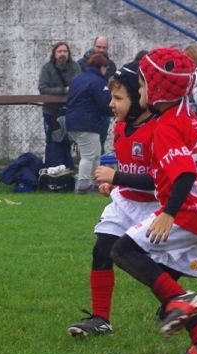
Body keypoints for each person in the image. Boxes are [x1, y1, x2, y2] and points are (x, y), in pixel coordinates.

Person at [110, 48, 197, 354]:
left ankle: (181, 300)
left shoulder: (165, 128)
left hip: (186, 213)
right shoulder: (188, 117)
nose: (141, 91)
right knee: (160, 275)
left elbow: (185, 173)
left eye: (144, 84)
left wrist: (168, 214)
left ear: (159, 89)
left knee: (123, 251)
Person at [67, 61, 159, 336]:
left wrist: (116, 178)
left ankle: (177, 302)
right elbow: (131, 168)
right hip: (125, 202)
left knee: (157, 264)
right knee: (101, 250)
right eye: (111, 97)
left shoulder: (158, 131)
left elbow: (159, 181)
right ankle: (100, 319)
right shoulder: (121, 128)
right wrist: (114, 183)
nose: (111, 104)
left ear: (140, 98)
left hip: (155, 207)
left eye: (119, 98)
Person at [66, 53, 112, 193]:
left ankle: (96, 181)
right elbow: (104, 103)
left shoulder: (77, 78)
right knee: (88, 156)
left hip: (72, 122)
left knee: (95, 153)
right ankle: (84, 184)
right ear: (102, 67)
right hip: (87, 123)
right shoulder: (98, 82)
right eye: (106, 68)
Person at [38, 42, 81, 169]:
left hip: (70, 111)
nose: (62, 54)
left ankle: (67, 166)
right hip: (51, 111)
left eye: (65, 51)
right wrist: (63, 91)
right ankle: (51, 166)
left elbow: (78, 84)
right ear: (54, 54)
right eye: (59, 51)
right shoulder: (47, 68)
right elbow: (43, 88)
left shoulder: (75, 66)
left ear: (68, 53)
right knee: (51, 140)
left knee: (67, 140)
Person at [77, 36, 118, 152]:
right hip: (87, 110)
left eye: (104, 47)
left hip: (104, 109)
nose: (101, 50)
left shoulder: (111, 65)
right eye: (98, 47)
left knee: (101, 140)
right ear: (93, 46)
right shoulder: (81, 64)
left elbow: (114, 85)